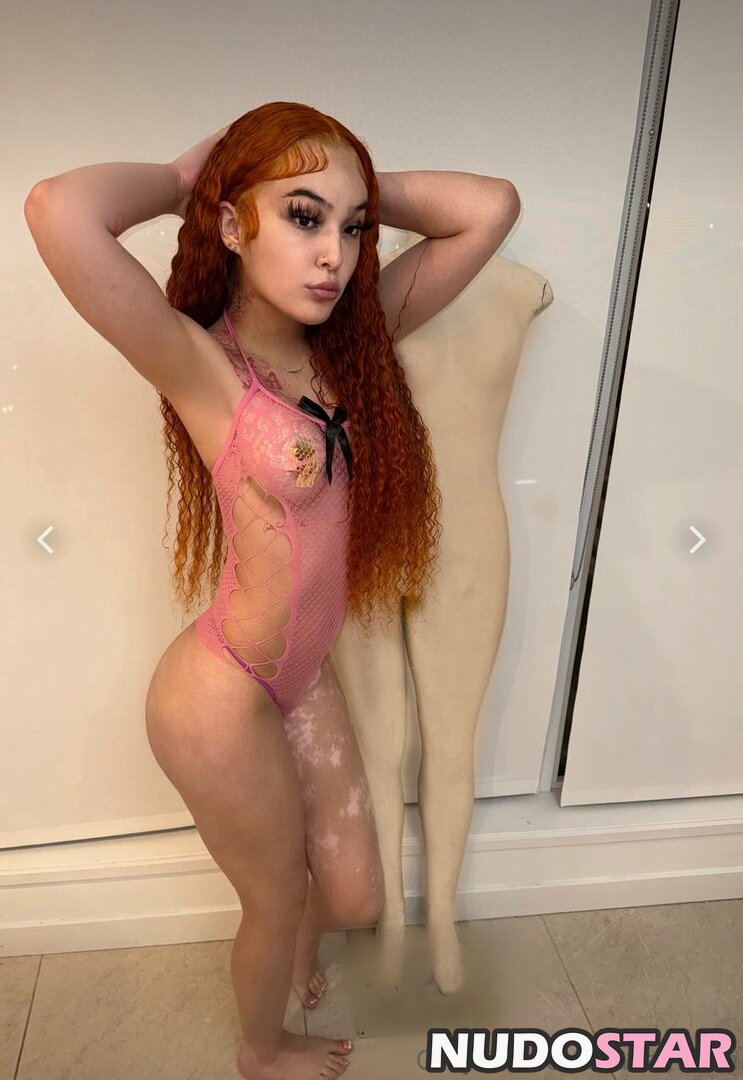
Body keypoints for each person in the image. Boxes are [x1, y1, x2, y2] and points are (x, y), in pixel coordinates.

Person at [24, 100, 512, 1079]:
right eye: (300, 217)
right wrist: (187, 180)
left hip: (298, 677)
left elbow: (488, 207)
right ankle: (262, 1048)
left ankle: (293, 944)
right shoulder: (199, 363)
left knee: (352, 896)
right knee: (277, 897)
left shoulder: (352, 344)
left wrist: (340, 175)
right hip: (219, 695)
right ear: (232, 225)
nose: (334, 253)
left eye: (352, 226)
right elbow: (55, 209)